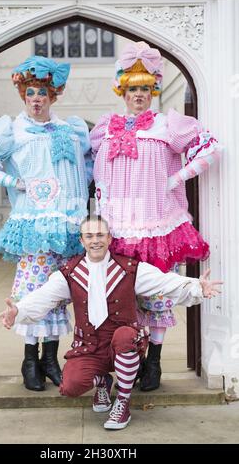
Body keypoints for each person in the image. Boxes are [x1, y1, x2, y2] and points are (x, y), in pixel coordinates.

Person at [0, 215, 222, 430]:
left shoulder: (131, 268)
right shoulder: (69, 273)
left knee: (125, 336)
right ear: (82, 241)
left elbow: (164, 283)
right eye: (90, 236)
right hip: (90, 347)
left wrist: (195, 286)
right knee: (70, 387)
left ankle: (123, 401)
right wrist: (19, 311)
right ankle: (102, 380)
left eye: (100, 235)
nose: (96, 240)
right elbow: (43, 297)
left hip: (123, 343)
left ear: (109, 239)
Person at [89, 41, 222, 391]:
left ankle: (155, 363)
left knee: (159, 295)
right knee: (126, 298)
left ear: (153, 91)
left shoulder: (168, 124)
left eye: (145, 89)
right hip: (118, 228)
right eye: (133, 88)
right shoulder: (106, 127)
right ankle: (131, 355)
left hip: (159, 223)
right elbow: (94, 171)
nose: (139, 95)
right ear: (123, 90)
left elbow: (211, 149)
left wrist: (175, 179)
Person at [0, 56, 92, 391]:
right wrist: (10, 180)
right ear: (24, 95)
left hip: (65, 227)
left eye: (43, 92)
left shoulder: (70, 129)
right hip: (33, 225)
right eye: (31, 92)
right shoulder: (13, 129)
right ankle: (29, 360)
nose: (37, 98)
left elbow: (85, 170)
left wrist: (81, 209)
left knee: (58, 293)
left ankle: (50, 359)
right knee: (32, 290)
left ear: (52, 96)